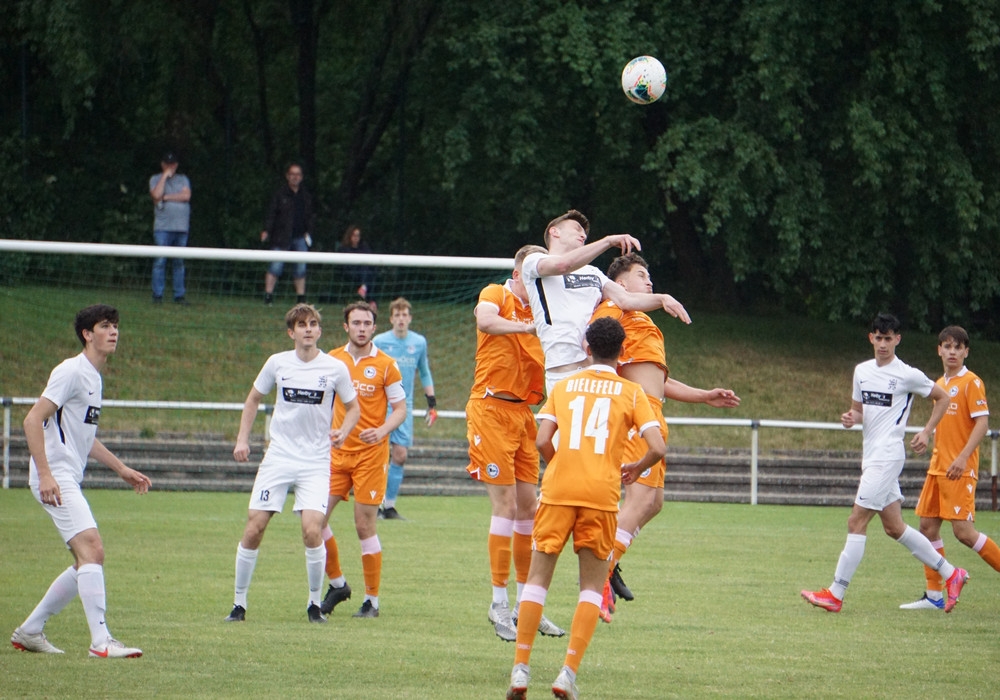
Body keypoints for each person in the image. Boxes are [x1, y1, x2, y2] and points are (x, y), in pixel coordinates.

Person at [506, 316, 666, 700]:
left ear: (586, 347)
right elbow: (658, 447)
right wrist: (635, 468)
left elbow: (542, 439)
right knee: (591, 589)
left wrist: (559, 464)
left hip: (558, 491)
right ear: (623, 351)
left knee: (537, 580)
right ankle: (567, 674)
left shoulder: (565, 385)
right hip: (600, 494)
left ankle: (520, 669)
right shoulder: (632, 392)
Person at [589, 253, 741, 621]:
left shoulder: (642, 321)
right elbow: (593, 350)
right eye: (642, 275)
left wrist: (704, 396)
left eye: (650, 276)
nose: (650, 281)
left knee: (654, 503)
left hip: (652, 414)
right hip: (634, 416)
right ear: (620, 284)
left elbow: (659, 380)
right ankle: (598, 578)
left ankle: (610, 559)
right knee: (640, 500)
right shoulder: (612, 309)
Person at [801, 313, 970, 613]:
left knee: (856, 521)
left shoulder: (907, 374)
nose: (882, 344)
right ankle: (951, 573)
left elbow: (943, 397)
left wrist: (926, 432)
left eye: (888, 338)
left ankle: (836, 593)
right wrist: (851, 418)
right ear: (871, 338)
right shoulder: (862, 371)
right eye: (878, 338)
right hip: (871, 456)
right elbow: (859, 411)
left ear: (897, 340)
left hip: (888, 456)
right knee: (894, 527)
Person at [11, 304, 151, 658]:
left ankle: (30, 630)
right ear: (87, 334)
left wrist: (121, 469)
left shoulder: (93, 377)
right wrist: (45, 474)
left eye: (115, 325)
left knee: (84, 559)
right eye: (105, 326)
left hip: (65, 475)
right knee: (93, 549)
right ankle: (100, 641)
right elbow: (31, 420)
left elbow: (84, 437)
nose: (113, 332)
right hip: (55, 476)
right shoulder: (71, 371)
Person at [225, 304, 359, 624]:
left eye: (313, 324)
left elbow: (353, 407)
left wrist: (344, 430)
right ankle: (239, 604)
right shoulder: (277, 363)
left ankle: (314, 605)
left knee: (312, 530)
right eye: (301, 325)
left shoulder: (335, 368)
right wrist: (242, 440)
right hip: (279, 457)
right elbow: (253, 399)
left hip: (315, 461)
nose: (308, 329)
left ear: (320, 330)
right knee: (255, 527)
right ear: (291, 332)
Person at [467, 244, 565, 642]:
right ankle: (499, 602)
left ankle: (527, 604)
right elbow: (486, 320)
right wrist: (526, 328)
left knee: (530, 509)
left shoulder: (546, 309)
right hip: (490, 408)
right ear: (518, 272)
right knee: (505, 506)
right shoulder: (497, 293)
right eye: (534, 272)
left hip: (525, 414)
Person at [521, 209, 691, 393]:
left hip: (597, 371)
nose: (583, 235)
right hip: (564, 371)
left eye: (585, 233)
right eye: (577, 228)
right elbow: (563, 265)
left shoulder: (593, 272)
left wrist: (662, 298)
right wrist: (608, 241)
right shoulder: (534, 261)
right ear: (554, 231)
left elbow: (626, 299)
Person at [900, 325, 998, 610]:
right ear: (939, 350)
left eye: (958, 347)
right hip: (938, 467)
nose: (952, 352)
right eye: (947, 346)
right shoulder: (940, 384)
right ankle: (934, 596)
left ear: (966, 352)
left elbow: (982, 424)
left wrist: (963, 457)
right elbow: (940, 420)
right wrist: (925, 434)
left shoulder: (972, 382)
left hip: (959, 468)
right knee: (927, 528)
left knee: (963, 532)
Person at [320, 301, 407, 619]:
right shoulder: (331, 360)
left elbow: (400, 409)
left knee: (363, 525)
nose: (361, 328)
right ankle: (337, 584)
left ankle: (372, 601)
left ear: (374, 327)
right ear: (346, 327)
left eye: (366, 323)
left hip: (370, 456)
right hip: (336, 454)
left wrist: (382, 430)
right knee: (315, 521)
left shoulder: (386, 365)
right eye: (355, 323)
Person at [372, 297, 436, 520]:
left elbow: (424, 371)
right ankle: (373, 504)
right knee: (376, 455)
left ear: (410, 318)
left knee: (400, 455)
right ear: (391, 319)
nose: (401, 319)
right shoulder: (380, 341)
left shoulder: (418, 342)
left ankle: (389, 507)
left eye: (404, 315)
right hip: (380, 405)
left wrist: (431, 402)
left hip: (404, 406)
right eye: (397, 315)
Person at [261, 162, 316, 306]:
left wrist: (309, 233)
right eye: (292, 174)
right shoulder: (280, 194)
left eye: (298, 174)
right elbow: (272, 214)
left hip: (300, 237)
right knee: (275, 267)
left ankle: (301, 299)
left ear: (301, 177)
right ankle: (268, 296)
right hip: (281, 237)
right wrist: (266, 230)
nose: (295, 177)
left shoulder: (305, 196)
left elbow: (310, 217)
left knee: (300, 268)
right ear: (287, 176)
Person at [149, 151, 191, 304]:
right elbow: (156, 195)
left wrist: (166, 197)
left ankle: (179, 296)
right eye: (167, 164)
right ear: (162, 164)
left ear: (177, 165)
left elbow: (186, 196)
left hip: (181, 228)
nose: (170, 166)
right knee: (160, 261)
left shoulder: (183, 179)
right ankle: (157, 295)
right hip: (163, 228)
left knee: (179, 262)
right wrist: (164, 176)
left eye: (172, 164)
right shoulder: (155, 179)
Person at [337, 224, 377, 306]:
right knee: (366, 272)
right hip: (350, 272)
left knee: (368, 271)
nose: (356, 238)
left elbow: (369, 259)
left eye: (358, 235)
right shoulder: (344, 248)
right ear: (349, 236)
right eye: (354, 235)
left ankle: (363, 288)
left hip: (362, 272)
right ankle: (370, 299)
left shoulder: (364, 247)